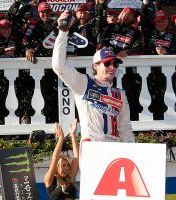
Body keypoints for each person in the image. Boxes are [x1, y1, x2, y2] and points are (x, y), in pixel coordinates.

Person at [52, 11, 135, 143]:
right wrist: (63, 33)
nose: (112, 67)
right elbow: (58, 66)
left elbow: (125, 128)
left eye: (115, 64)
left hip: (115, 149)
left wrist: (131, 152)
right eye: (107, 63)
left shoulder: (120, 95)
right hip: (92, 146)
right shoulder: (84, 83)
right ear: (95, 66)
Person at [44, 120, 79, 200]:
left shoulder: (70, 177)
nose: (67, 168)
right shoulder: (50, 180)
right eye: (63, 165)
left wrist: (73, 135)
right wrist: (60, 138)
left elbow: (76, 157)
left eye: (67, 165)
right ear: (56, 167)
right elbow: (55, 158)